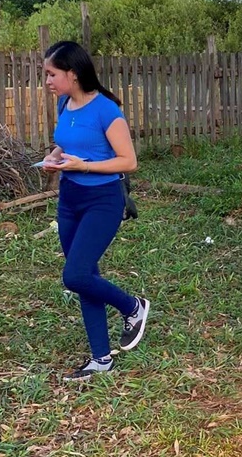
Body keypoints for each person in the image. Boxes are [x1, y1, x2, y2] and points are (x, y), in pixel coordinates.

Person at [41, 41, 150, 381]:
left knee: (75, 275)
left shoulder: (106, 110)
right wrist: (54, 157)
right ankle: (101, 359)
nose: (47, 81)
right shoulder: (64, 103)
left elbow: (128, 161)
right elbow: (67, 142)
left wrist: (84, 165)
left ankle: (133, 307)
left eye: (52, 74)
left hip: (102, 200)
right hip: (70, 198)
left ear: (72, 74)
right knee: (86, 276)